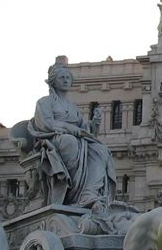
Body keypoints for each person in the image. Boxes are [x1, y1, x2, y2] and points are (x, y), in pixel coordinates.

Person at [28, 60, 116, 208]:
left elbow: (84, 128)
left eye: (68, 78)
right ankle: (72, 194)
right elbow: (46, 124)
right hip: (54, 140)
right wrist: (69, 128)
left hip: (77, 140)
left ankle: (88, 192)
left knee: (101, 150)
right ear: (53, 81)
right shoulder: (44, 102)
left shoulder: (73, 107)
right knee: (71, 142)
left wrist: (95, 122)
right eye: (61, 77)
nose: (65, 80)